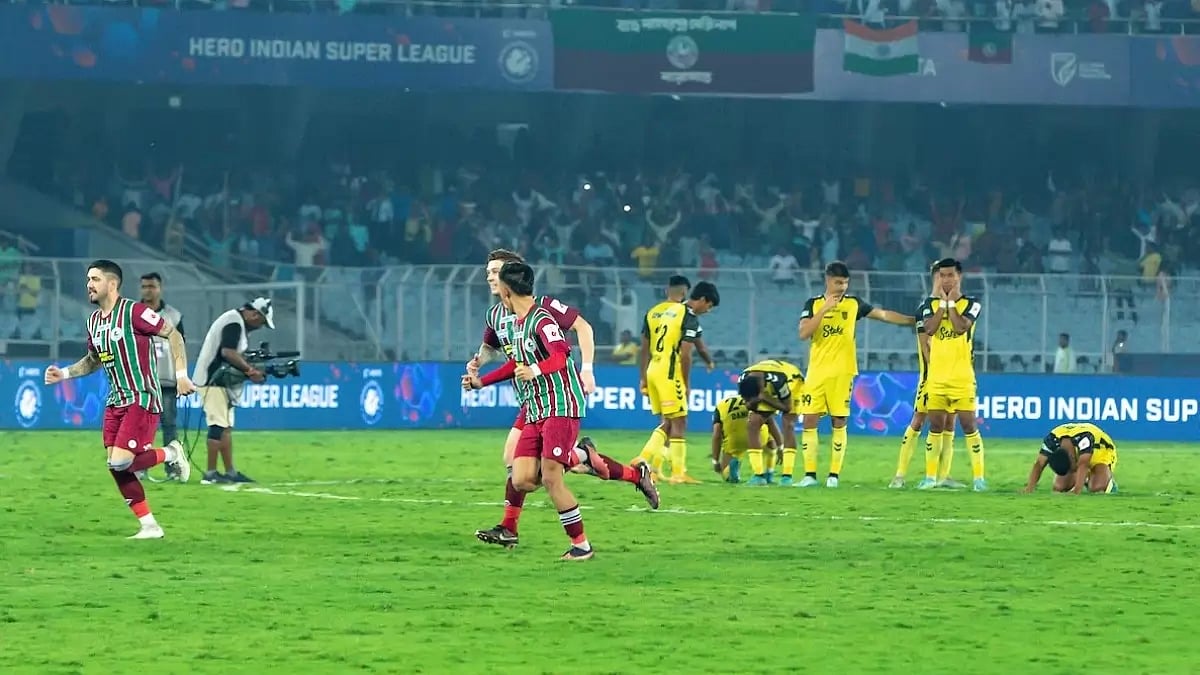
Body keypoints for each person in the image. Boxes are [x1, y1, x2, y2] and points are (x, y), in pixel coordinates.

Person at [468, 249, 657, 550]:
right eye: (488, 271)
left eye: (495, 271)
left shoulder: (542, 310)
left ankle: (515, 528)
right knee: (525, 476)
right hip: (531, 398)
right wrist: (478, 367)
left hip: (556, 396)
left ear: (510, 278)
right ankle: (585, 458)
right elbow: (497, 350)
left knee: (526, 464)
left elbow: (579, 332)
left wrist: (587, 370)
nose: (489, 276)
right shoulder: (498, 315)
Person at [43, 260, 195, 539]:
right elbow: (93, 360)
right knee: (116, 466)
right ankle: (150, 526)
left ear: (112, 284)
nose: (89, 284)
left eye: (95, 279)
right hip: (115, 401)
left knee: (121, 463)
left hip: (141, 395)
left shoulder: (135, 312)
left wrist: (182, 375)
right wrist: (63, 374)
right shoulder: (93, 321)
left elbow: (173, 335)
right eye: (88, 279)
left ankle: (172, 452)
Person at [462, 261, 599, 561]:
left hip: (560, 404)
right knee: (522, 479)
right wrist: (481, 382)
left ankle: (581, 546)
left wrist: (535, 369)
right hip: (537, 407)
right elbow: (515, 364)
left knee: (551, 478)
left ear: (508, 292)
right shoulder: (520, 323)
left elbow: (562, 356)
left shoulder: (541, 320)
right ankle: (579, 456)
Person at [796, 261, 914, 488]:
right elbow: (803, 333)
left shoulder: (854, 304)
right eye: (838, 282)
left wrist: (912, 320)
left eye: (845, 283)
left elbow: (884, 315)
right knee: (809, 420)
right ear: (828, 280)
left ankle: (833, 476)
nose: (842, 287)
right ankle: (810, 475)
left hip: (842, 372)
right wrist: (823, 310)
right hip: (817, 372)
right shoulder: (812, 304)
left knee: (839, 421)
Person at [635, 276, 720, 484]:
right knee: (679, 421)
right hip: (670, 371)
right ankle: (661, 466)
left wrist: (643, 378)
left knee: (668, 421)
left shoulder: (653, 312)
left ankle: (654, 469)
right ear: (699, 298)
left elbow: (644, 349)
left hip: (653, 369)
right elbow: (686, 354)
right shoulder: (686, 314)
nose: (707, 311)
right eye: (709, 306)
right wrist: (686, 382)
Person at [919, 258, 988, 491]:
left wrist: (950, 306)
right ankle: (930, 478)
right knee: (935, 426)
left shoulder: (972, 303)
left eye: (950, 275)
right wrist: (943, 306)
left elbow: (960, 328)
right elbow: (930, 329)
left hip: (962, 378)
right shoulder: (929, 305)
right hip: (937, 378)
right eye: (942, 276)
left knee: (968, 425)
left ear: (959, 277)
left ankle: (979, 479)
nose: (946, 279)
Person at [191, 297, 274, 484]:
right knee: (218, 426)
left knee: (226, 428)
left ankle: (230, 472)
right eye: (261, 322)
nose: (260, 327)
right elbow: (228, 353)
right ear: (254, 314)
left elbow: (231, 352)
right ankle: (211, 473)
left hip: (220, 381)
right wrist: (250, 370)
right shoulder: (234, 323)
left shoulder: (236, 321)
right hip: (213, 381)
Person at [890, 279, 961, 489]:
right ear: (936, 279)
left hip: (953, 377)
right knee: (919, 420)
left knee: (949, 423)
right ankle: (900, 475)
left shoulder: (956, 306)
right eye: (943, 276)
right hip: (932, 377)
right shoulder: (926, 309)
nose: (948, 281)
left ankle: (944, 476)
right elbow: (925, 347)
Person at [137, 272, 185, 481]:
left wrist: (182, 377)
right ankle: (139, 467)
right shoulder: (131, 314)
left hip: (166, 380)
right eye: (144, 286)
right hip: (140, 381)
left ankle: (173, 467)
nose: (148, 290)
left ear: (160, 288)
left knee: (168, 426)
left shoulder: (174, 316)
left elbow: (180, 347)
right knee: (141, 427)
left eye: (152, 286)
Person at [737, 359, 800, 485]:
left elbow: (787, 407)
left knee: (788, 424)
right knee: (752, 423)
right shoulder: (743, 379)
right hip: (765, 390)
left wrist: (765, 399)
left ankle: (787, 476)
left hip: (793, 382)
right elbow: (749, 405)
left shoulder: (779, 381)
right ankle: (758, 476)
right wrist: (756, 401)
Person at [1022, 423, 1118, 494]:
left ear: (1072, 458)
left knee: (1096, 488)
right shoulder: (1052, 440)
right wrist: (1030, 487)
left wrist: (1076, 490)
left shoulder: (1085, 437)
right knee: (1059, 487)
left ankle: (1107, 481)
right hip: (1080, 455)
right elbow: (1039, 463)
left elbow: (1083, 464)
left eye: (1072, 469)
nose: (1073, 471)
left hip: (1101, 452)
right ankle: (1084, 478)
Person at [709, 395, 780, 484]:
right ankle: (768, 472)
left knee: (726, 470)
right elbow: (771, 422)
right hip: (758, 436)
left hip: (734, 440)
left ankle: (730, 470)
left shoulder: (721, 404)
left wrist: (715, 461)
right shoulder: (757, 399)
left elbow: (717, 434)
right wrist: (780, 446)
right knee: (769, 438)